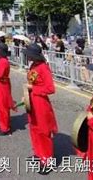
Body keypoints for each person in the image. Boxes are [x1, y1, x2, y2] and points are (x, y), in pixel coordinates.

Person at [23, 43, 58, 172]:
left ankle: (47, 160)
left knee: (43, 131)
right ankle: (39, 154)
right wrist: (27, 95)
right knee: (34, 129)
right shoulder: (33, 66)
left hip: (41, 103)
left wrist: (33, 88)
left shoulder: (44, 68)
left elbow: (50, 88)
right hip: (32, 101)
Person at [0, 43, 15, 136]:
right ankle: (4, 124)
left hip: (2, 85)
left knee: (3, 107)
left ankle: (5, 127)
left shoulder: (3, 61)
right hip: (0, 85)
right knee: (0, 106)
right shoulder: (3, 60)